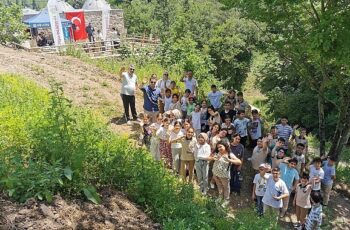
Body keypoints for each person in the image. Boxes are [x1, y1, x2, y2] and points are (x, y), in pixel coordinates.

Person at [212, 141, 242, 207]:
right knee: (219, 185)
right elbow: (211, 157)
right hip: (215, 173)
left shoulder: (229, 154)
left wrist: (229, 160)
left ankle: (226, 199)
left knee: (226, 187)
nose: (219, 148)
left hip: (224, 175)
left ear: (225, 146)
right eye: (218, 147)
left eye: (220, 147)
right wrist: (213, 158)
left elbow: (239, 162)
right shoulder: (218, 153)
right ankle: (220, 197)